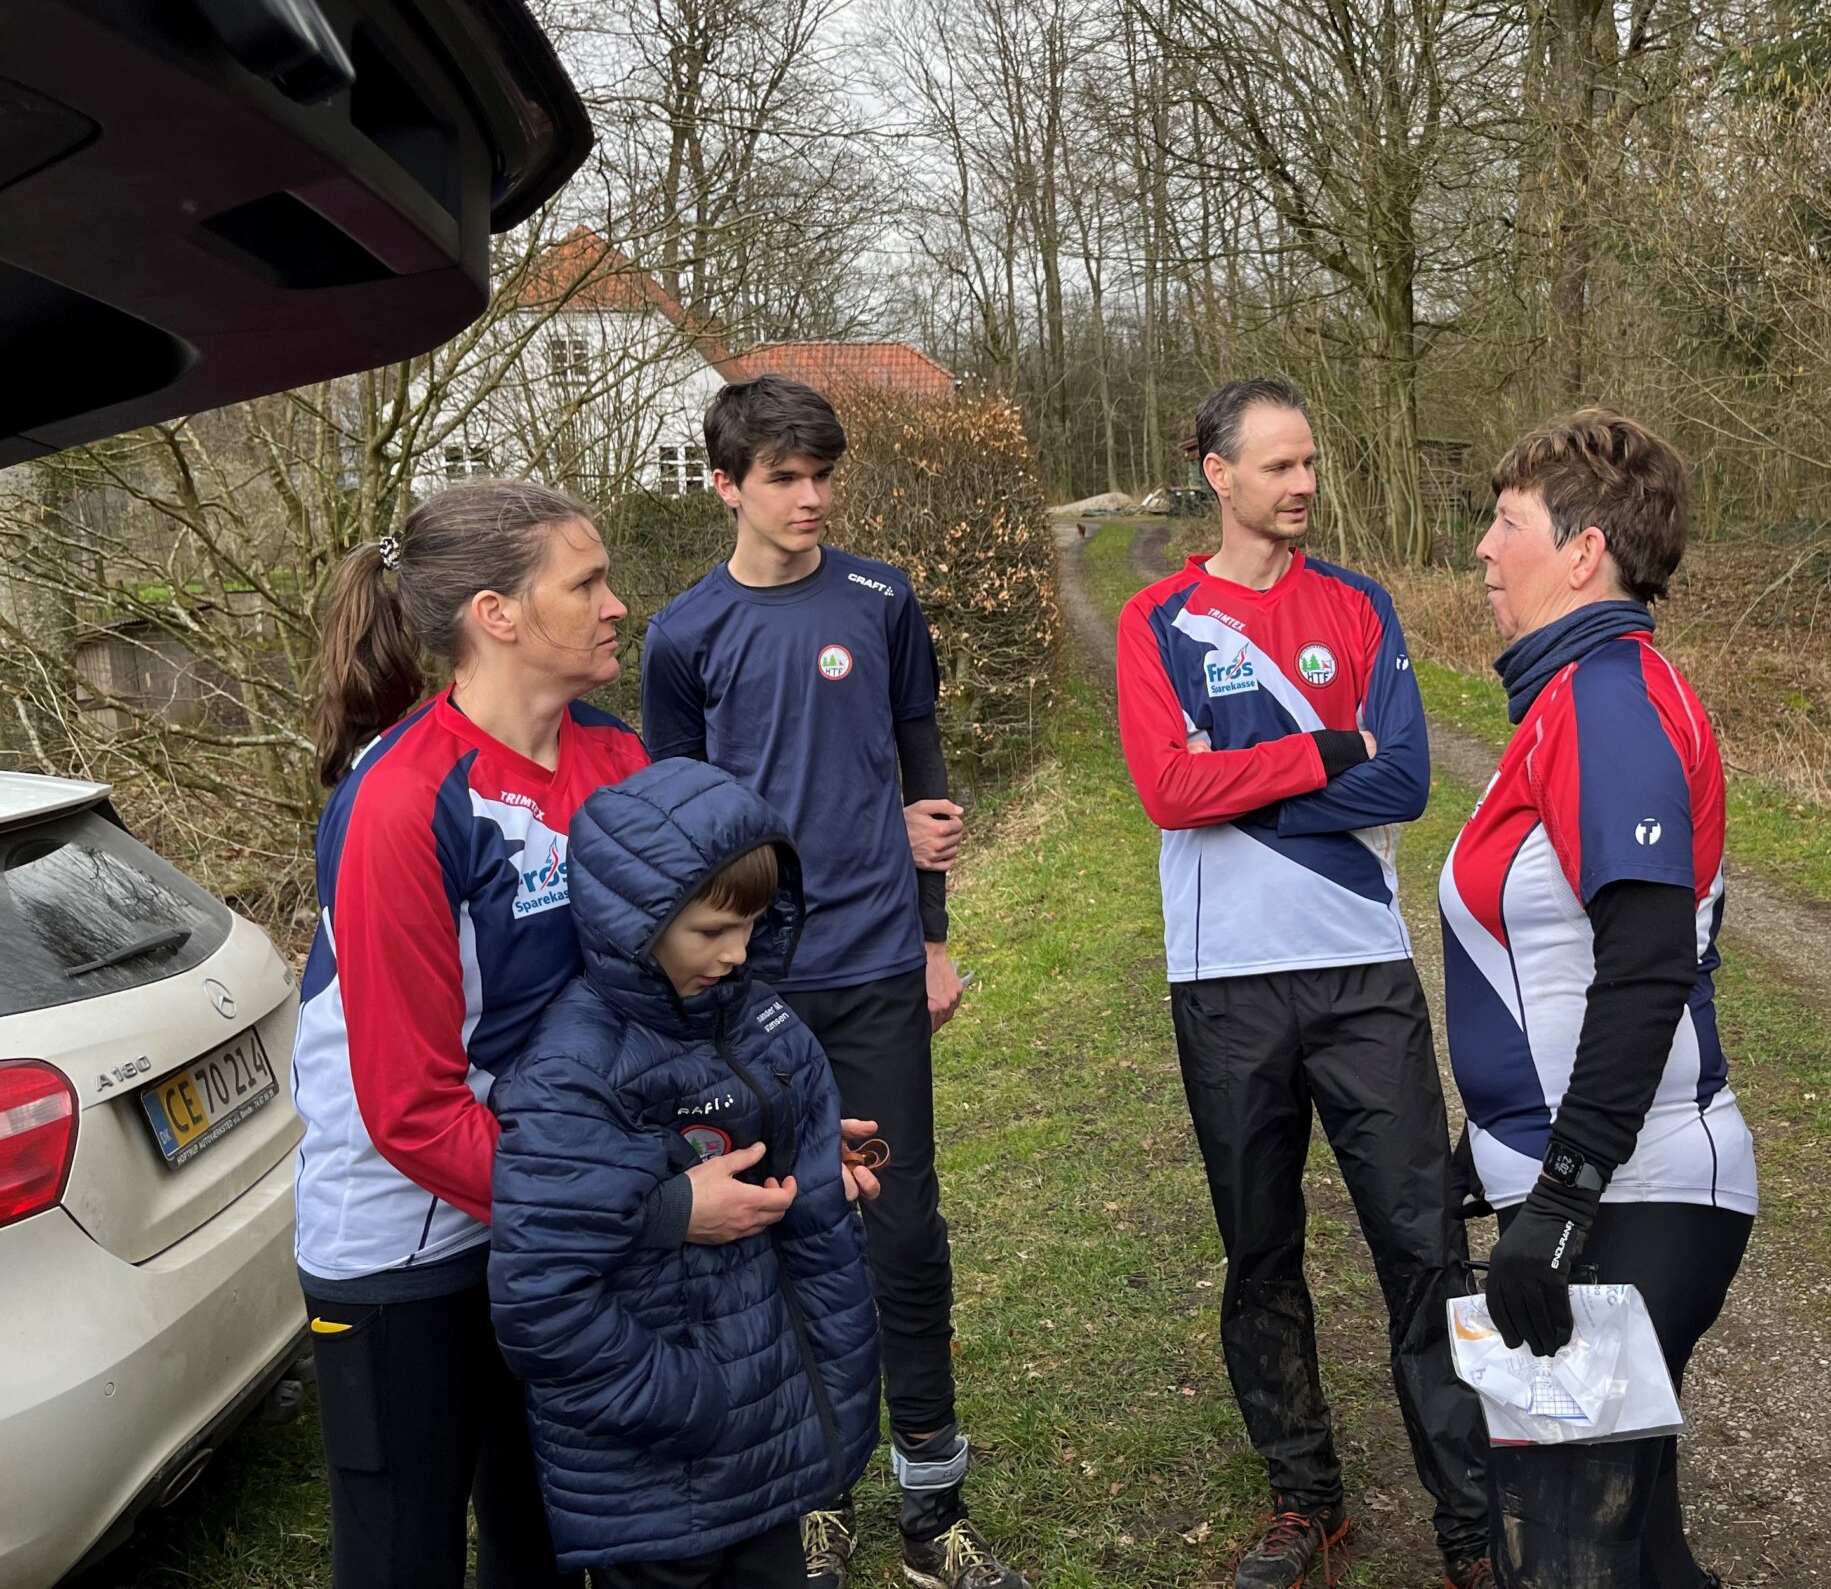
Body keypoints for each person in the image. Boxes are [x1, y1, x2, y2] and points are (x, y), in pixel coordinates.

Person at [296, 482, 805, 1589]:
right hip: (412, 1243)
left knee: (546, 1542)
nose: (618, 605)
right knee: (404, 1559)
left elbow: (673, 991)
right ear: (498, 615)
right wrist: (651, 1205)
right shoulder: (399, 802)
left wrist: (779, 1125)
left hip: (566, 1211)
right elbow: (410, 1112)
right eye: (586, 583)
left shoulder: (618, 759)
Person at [641, 376, 1021, 1589]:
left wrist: (934, 937)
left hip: (874, 970)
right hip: (748, 996)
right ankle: (814, 1496)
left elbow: (922, 770)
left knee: (901, 1231)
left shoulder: (882, 599)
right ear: (725, 486)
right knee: (781, 1235)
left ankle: (933, 1508)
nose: (809, 498)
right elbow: (674, 830)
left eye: (821, 476)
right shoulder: (683, 636)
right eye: (783, 479)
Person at [1115, 378, 1492, 1589]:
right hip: (1225, 979)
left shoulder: (1358, 606)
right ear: (1217, 474)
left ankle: (1474, 1525)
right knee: (1260, 1250)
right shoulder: (1157, 619)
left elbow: (1406, 780)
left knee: (1422, 1245)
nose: (1303, 484)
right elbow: (1166, 790)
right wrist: (1328, 749)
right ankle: (1303, 1499)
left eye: (1310, 462)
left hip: (1361, 968)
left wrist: (1240, 781)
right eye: (1279, 465)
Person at [1440, 410, 1755, 1588]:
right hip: (1594, 1179)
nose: (1482, 548)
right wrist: (1482, 1151)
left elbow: (1645, 966)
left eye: (1505, 522)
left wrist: (1564, 1195)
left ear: (1582, 554)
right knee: (1634, 1547)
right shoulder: (1569, 701)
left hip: (1636, 1188)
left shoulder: (1605, 703)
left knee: (1568, 1553)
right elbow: (1552, 975)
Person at [488, 758, 883, 1589]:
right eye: (711, 932)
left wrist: (819, 1168)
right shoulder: (575, 1070)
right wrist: (692, 1402)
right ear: (637, 920)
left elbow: (788, 1178)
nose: (737, 954)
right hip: (664, 1476)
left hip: (767, 1446)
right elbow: (541, 1301)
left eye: (752, 925)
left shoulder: (758, 1020)